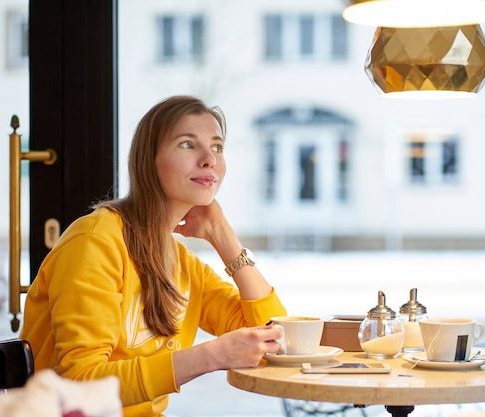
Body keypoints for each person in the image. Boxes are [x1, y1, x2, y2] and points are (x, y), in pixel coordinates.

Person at [19, 95, 287, 417]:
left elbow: (271, 334)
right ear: (149, 160)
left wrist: (223, 235)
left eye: (217, 147)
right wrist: (211, 356)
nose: (209, 160)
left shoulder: (181, 262)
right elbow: (81, 383)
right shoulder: (96, 242)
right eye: (188, 144)